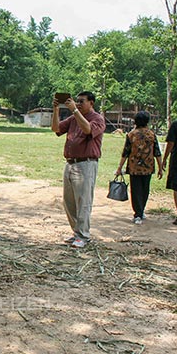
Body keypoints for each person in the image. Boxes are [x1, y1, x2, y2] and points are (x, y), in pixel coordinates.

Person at [51, 91, 105, 248]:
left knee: (83, 201)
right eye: (77, 101)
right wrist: (56, 110)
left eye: (82, 101)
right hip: (70, 163)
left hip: (86, 164)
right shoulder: (74, 118)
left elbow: (88, 130)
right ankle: (77, 232)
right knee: (69, 201)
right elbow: (56, 129)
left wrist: (75, 110)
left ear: (91, 103)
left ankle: (83, 235)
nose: (78, 104)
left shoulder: (97, 119)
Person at [115, 111, 163, 225]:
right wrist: (160, 167)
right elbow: (157, 152)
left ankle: (138, 213)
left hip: (134, 167)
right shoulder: (151, 134)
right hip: (148, 167)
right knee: (145, 189)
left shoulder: (131, 135)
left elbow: (125, 153)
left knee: (135, 190)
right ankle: (141, 210)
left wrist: (119, 167)